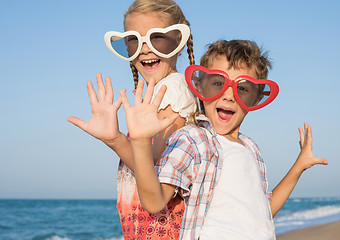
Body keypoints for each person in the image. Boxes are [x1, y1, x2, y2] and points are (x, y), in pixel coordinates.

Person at [120, 40, 328, 239]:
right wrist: (140, 142)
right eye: (218, 83)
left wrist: (299, 166)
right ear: (199, 87)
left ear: (257, 98)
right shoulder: (193, 139)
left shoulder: (251, 149)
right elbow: (154, 201)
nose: (229, 95)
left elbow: (264, 212)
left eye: (243, 88)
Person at [68, 0, 197, 239]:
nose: (145, 49)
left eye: (157, 37)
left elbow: (156, 175)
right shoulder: (162, 91)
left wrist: (116, 141)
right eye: (134, 40)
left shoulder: (169, 92)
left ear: (178, 42)